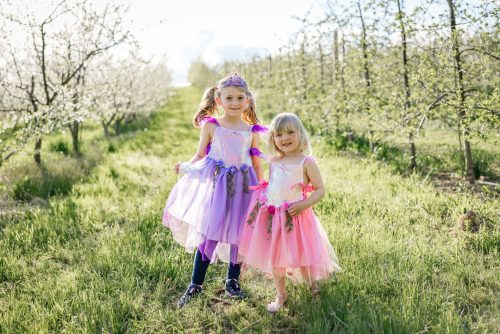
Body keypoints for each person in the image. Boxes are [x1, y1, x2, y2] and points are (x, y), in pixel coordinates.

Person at [162, 73, 266, 307]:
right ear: (219, 100)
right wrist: (187, 167)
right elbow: (201, 154)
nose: (235, 103)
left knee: (240, 232)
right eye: (229, 98)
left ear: (247, 100)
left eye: (240, 98)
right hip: (218, 185)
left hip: (244, 186)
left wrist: (261, 188)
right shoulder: (212, 125)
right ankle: (195, 284)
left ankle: (232, 281)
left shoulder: (252, 131)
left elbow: (257, 162)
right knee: (210, 231)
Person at [238, 112, 341, 313]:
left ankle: (313, 288)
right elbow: (275, 185)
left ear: (300, 134)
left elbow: (320, 189)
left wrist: (304, 205)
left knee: (304, 254)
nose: (285, 138)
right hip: (275, 217)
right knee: (276, 257)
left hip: (298, 217)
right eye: (279, 134)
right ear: (273, 139)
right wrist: (265, 200)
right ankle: (281, 295)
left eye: (290, 132)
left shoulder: (307, 162)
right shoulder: (275, 161)